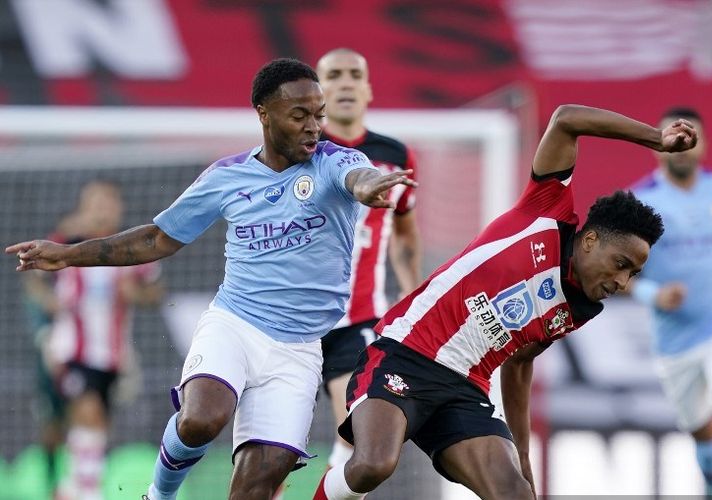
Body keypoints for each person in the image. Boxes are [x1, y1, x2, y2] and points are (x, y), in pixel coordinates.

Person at [6, 58, 416, 500]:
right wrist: (67, 255)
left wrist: (369, 185)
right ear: (263, 112)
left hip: (299, 348)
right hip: (234, 324)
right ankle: (158, 495)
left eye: (318, 114)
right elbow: (157, 238)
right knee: (203, 416)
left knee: (261, 479)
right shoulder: (227, 177)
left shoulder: (337, 162)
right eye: (299, 115)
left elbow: (358, 176)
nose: (313, 126)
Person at [311, 104, 698, 500]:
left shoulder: (579, 308)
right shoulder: (547, 209)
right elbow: (566, 118)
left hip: (465, 389)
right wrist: (657, 138)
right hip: (407, 352)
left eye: (632, 274)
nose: (621, 281)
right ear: (590, 239)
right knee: (374, 464)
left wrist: (523, 454)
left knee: (516, 494)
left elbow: (520, 362)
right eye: (621, 264)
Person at [629, 107, 712, 496]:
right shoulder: (640, 202)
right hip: (676, 343)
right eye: (672, 139)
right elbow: (620, 275)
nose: (681, 147)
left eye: (689, 138)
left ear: (704, 145)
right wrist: (655, 294)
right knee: (707, 444)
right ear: (656, 146)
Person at [24, 180, 164, 500]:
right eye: (94, 202)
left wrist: (136, 293)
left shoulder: (130, 250)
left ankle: (70, 487)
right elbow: (34, 279)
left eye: (107, 203)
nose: (101, 209)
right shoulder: (67, 244)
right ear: (84, 207)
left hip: (111, 356)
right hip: (68, 349)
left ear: (119, 208)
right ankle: (86, 492)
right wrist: (48, 301)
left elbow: (155, 292)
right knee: (86, 413)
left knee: (93, 425)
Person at [316, 47, 422, 469]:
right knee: (272, 451)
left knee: (359, 442)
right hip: (292, 321)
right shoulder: (299, 149)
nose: (345, 83)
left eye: (354, 74)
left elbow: (405, 229)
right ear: (318, 91)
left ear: (368, 89)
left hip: (358, 320)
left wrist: (414, 297)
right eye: (335, 75)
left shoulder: (395, 155)